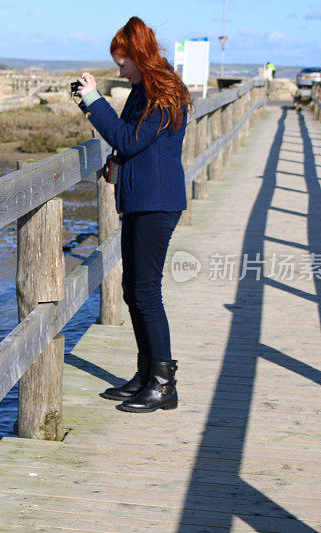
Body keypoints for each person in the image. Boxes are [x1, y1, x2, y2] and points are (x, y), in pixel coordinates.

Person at [74, 16, 192, 413]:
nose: (119, 69)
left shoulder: (165, 93)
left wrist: (93, 100)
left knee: (145, 292)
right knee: (133, 290)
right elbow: (130, 145)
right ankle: (146, 374)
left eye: (122, 61)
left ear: (140, 56)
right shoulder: (144, 90)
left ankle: (163, 384)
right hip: (141, 199)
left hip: (157, 203)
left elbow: (127, 136)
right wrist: (117, 162)